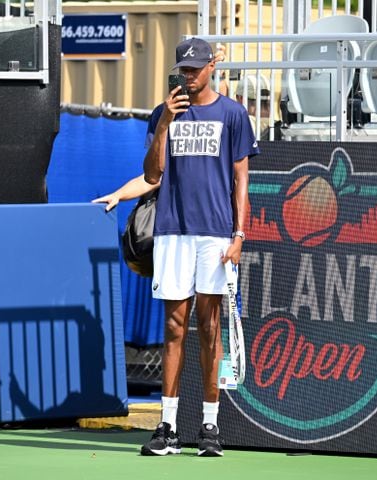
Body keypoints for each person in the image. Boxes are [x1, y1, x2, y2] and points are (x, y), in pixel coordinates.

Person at [139, 36, 257, 457]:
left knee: (209, 328)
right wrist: (165, 124)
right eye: (182, 70)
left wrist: (239, 235)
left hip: (216, 235)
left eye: (195, 69)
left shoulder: (233, 114)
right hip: (172, 232)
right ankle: (167, 426)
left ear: (212, 68)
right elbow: (153, 175)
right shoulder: (163, 114)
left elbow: (242, 179)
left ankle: (209, 425)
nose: (188, 76)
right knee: (173, 328)